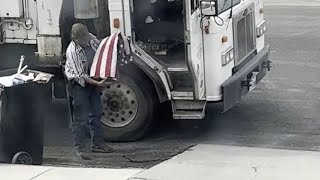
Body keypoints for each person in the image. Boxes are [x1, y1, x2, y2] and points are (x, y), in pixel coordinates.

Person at [64, 23, 114, 160]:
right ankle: (80, 148)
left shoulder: (91, 38)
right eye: (83, 40)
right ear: (76, 40)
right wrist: (98, 83)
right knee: (81, 118)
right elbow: (81, 75)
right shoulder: (72, 52)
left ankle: (97, 144)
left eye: (87, 38)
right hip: (79, 84)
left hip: (92, 78)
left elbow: (101, 50)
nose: (86, 42)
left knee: (96, 112)